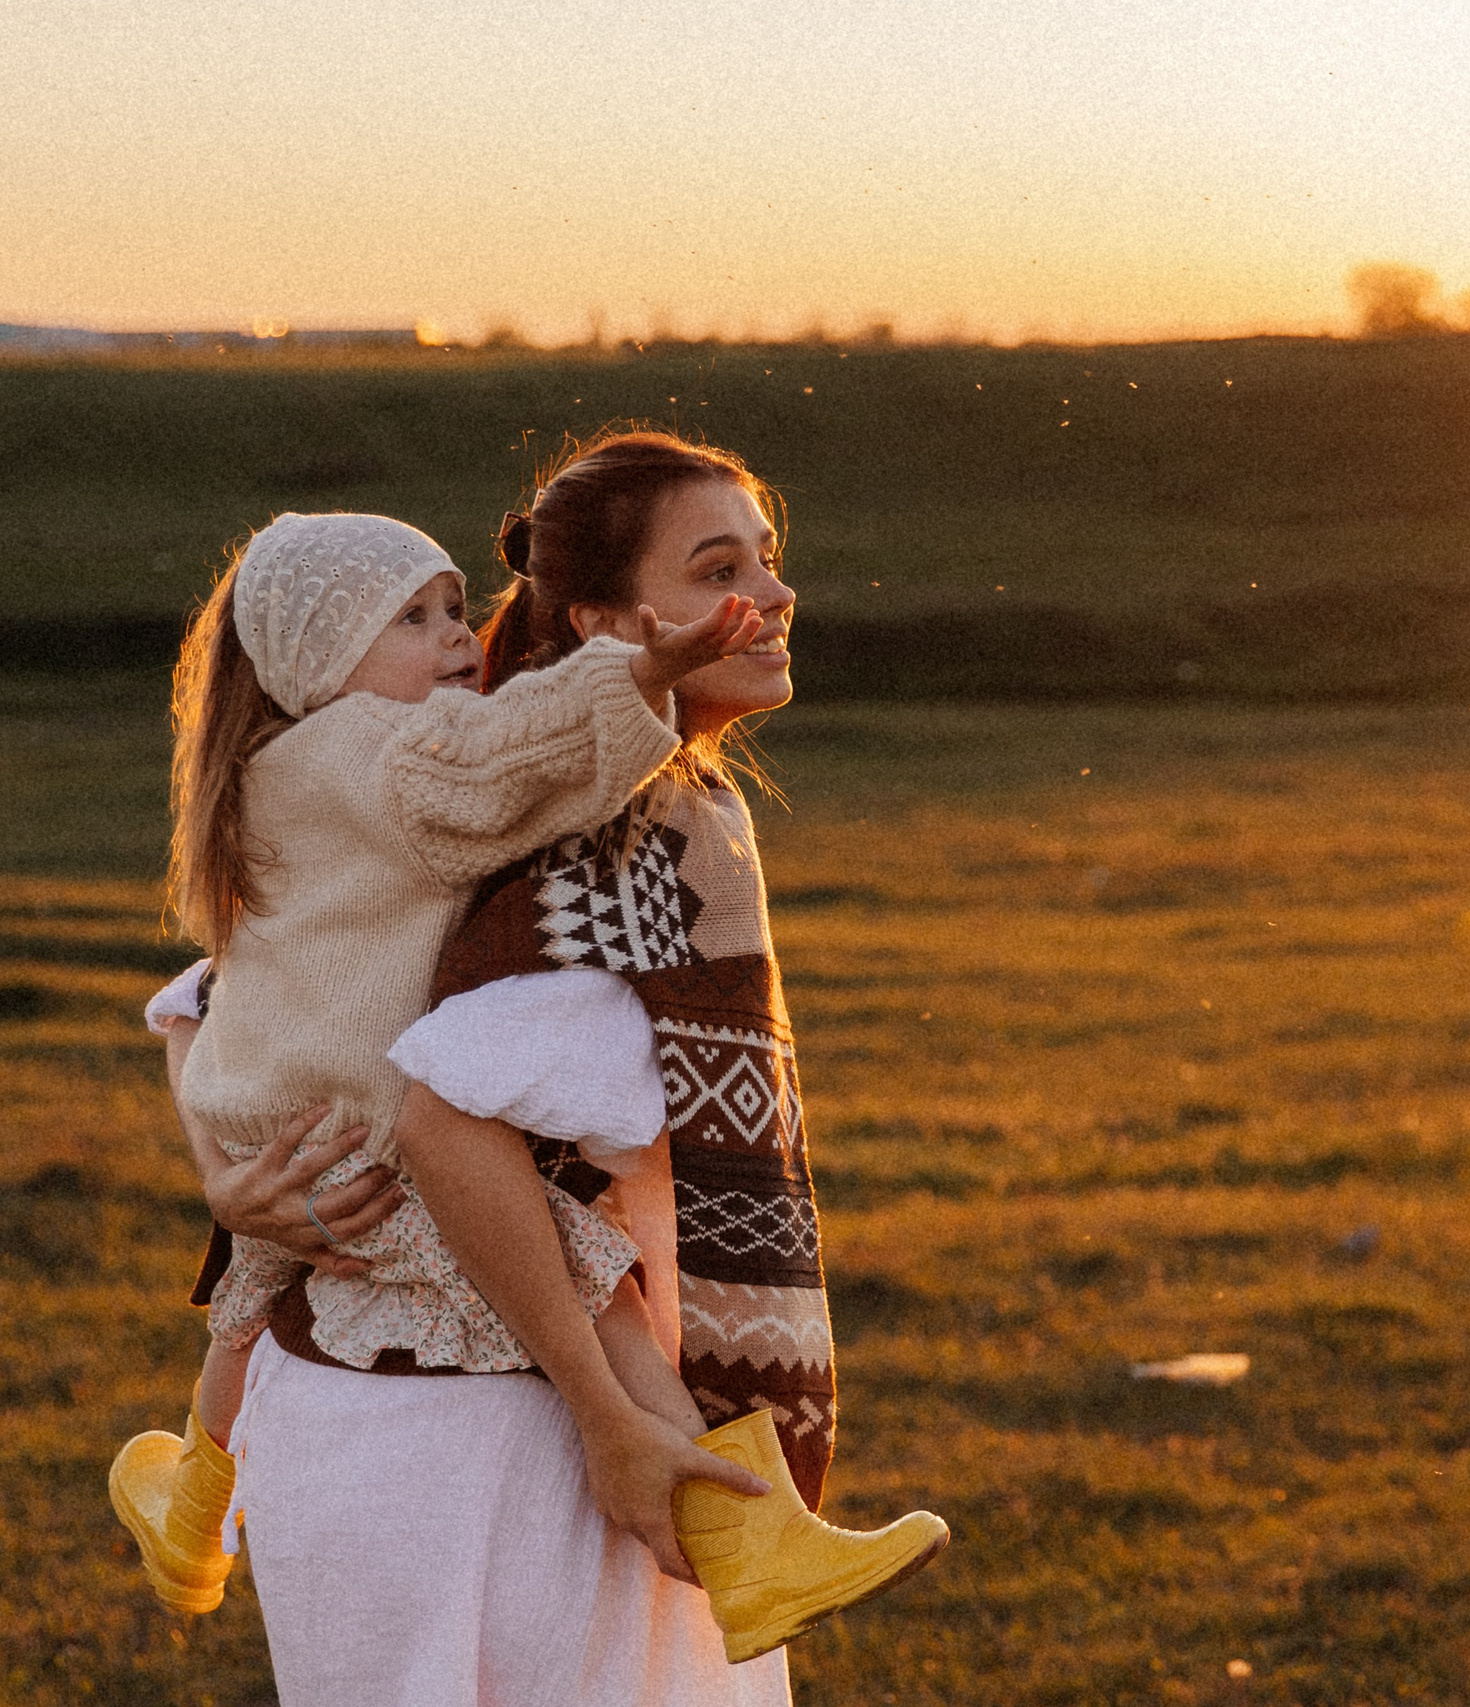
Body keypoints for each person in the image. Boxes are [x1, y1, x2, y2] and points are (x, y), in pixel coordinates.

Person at [183, 432, 944, 1705]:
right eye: (719, 569)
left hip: (447, 1417)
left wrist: (228, 1174)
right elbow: (437, 1123)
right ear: (600, 623)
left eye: (770, 558)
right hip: (485, 1435)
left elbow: (223, 998)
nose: (770, 593)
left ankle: (194, 1475)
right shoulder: (583, 840)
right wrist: (602, 1415)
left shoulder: (625, 814)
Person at [113, 509, 766, 1616]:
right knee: (594, 1286)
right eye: (412, 619)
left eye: (456, 607)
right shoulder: (373, 751)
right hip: (363, 1134)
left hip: (280, 1124)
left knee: (241, 1313)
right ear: (322, 663)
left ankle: (191, 1512)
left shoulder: (278, 771)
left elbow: (204, 995)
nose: (460, 639)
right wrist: (636, 673)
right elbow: (503, 754)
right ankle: (752, 1541)